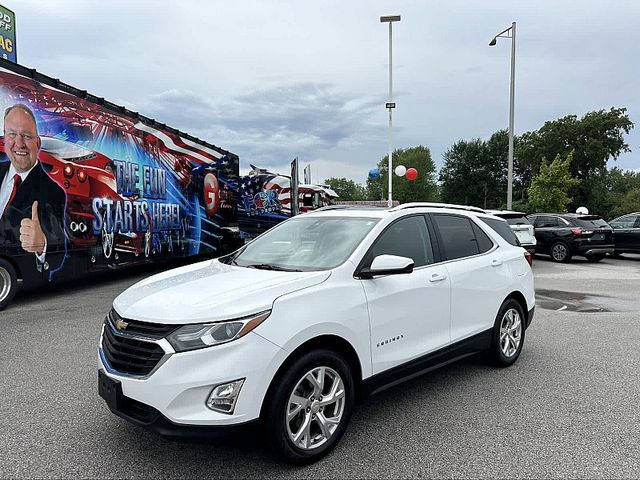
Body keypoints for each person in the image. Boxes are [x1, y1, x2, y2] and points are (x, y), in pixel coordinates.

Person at [0, 103, 67, 276]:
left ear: (38, 143)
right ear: (5, 138)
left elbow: (58, 256)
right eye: (12, 134)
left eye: (27, 136)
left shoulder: (53, 192)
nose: (19, 143)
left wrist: (42, 245)